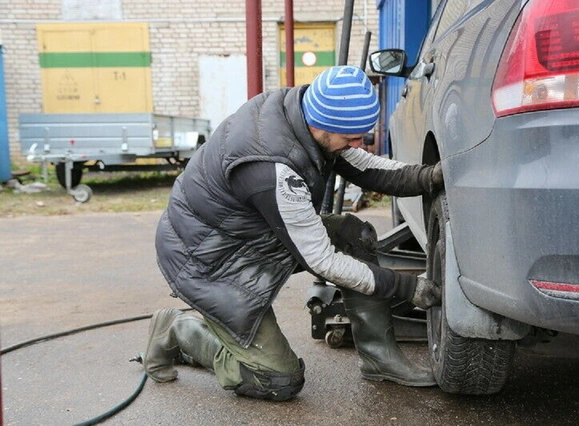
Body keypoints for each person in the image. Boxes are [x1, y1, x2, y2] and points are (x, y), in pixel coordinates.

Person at [143, 65, 444, 401]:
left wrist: (429, 176)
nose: (359, 144)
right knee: (278, 380)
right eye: (351, 137)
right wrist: (406, 287)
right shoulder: (272, 167)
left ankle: (379, 359)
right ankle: (178, 329)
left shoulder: (304, 115)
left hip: (250, 236)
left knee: (352, 234)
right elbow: (321, 260)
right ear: (322, 125)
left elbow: (364, 165)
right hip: (211, 263)